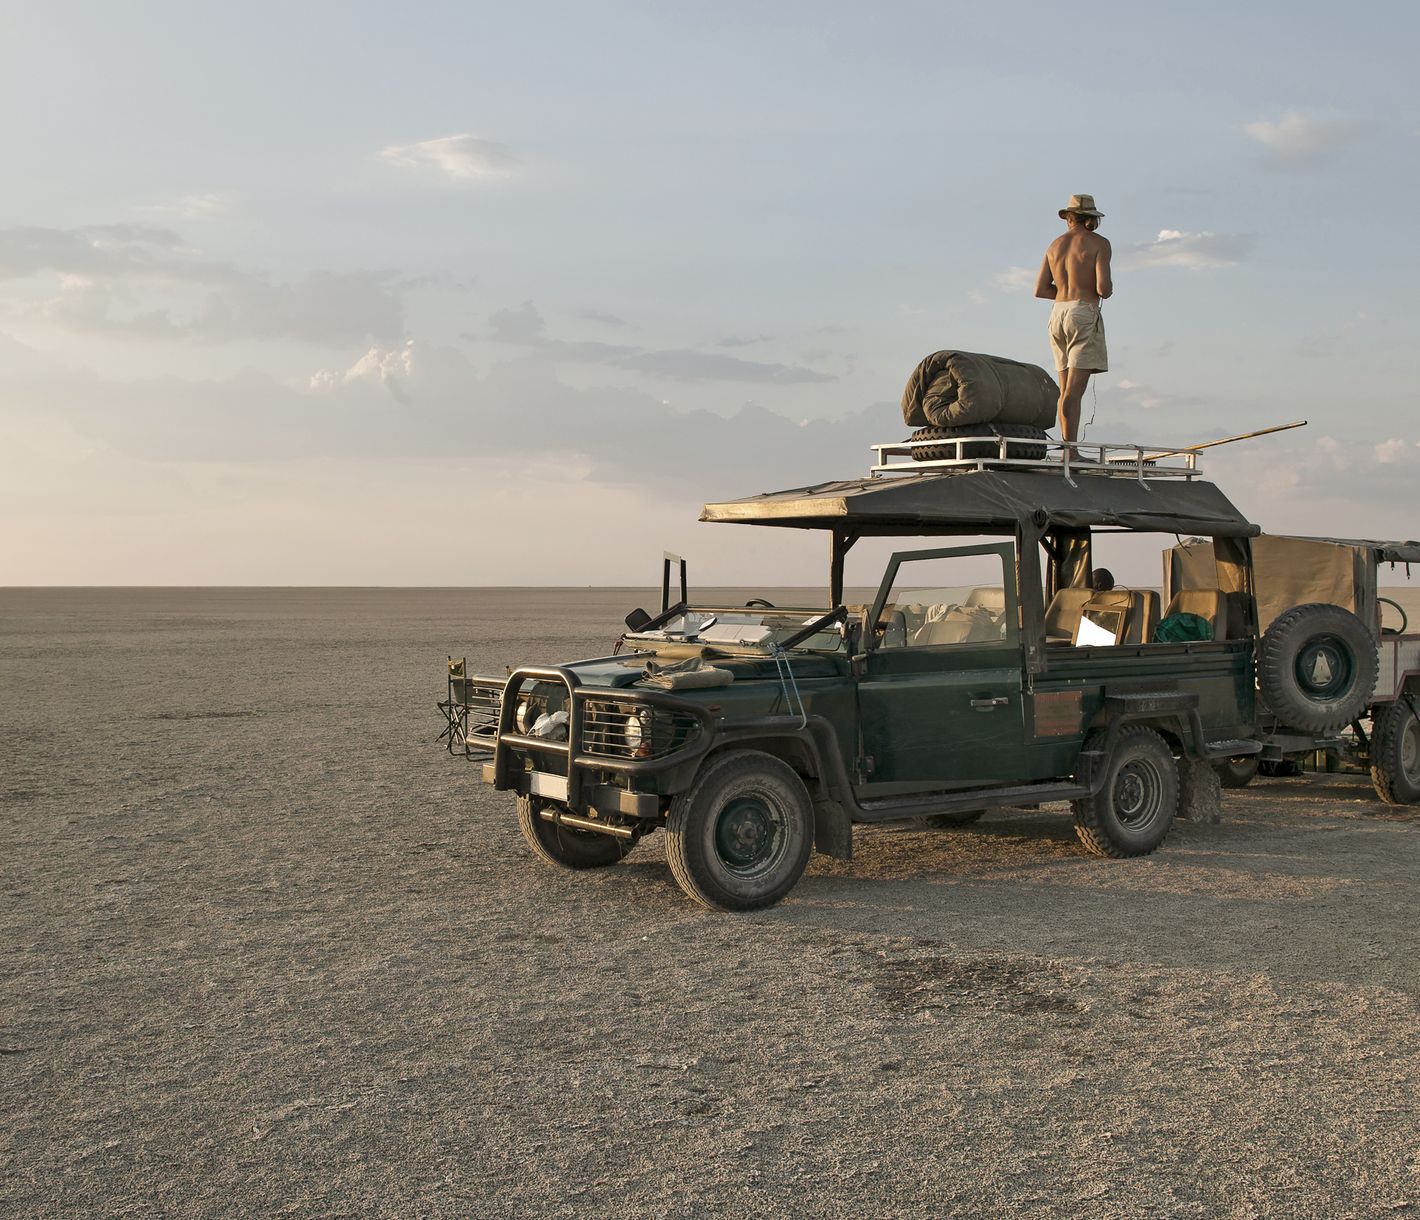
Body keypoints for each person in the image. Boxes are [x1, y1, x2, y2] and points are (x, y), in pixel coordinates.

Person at [1035, 194, 1112, 450]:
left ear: (1068, 218)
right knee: (1075, 390)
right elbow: (1103, 288)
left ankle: (1068, 446)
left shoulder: (1054, 245)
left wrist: (1067, 291)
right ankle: (1071, 450)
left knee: (1065, 386)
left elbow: (1041, 289)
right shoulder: (1099, 243)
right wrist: (1099, 289)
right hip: (1082, 312)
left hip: (1058, 314)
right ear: (1091, 219)